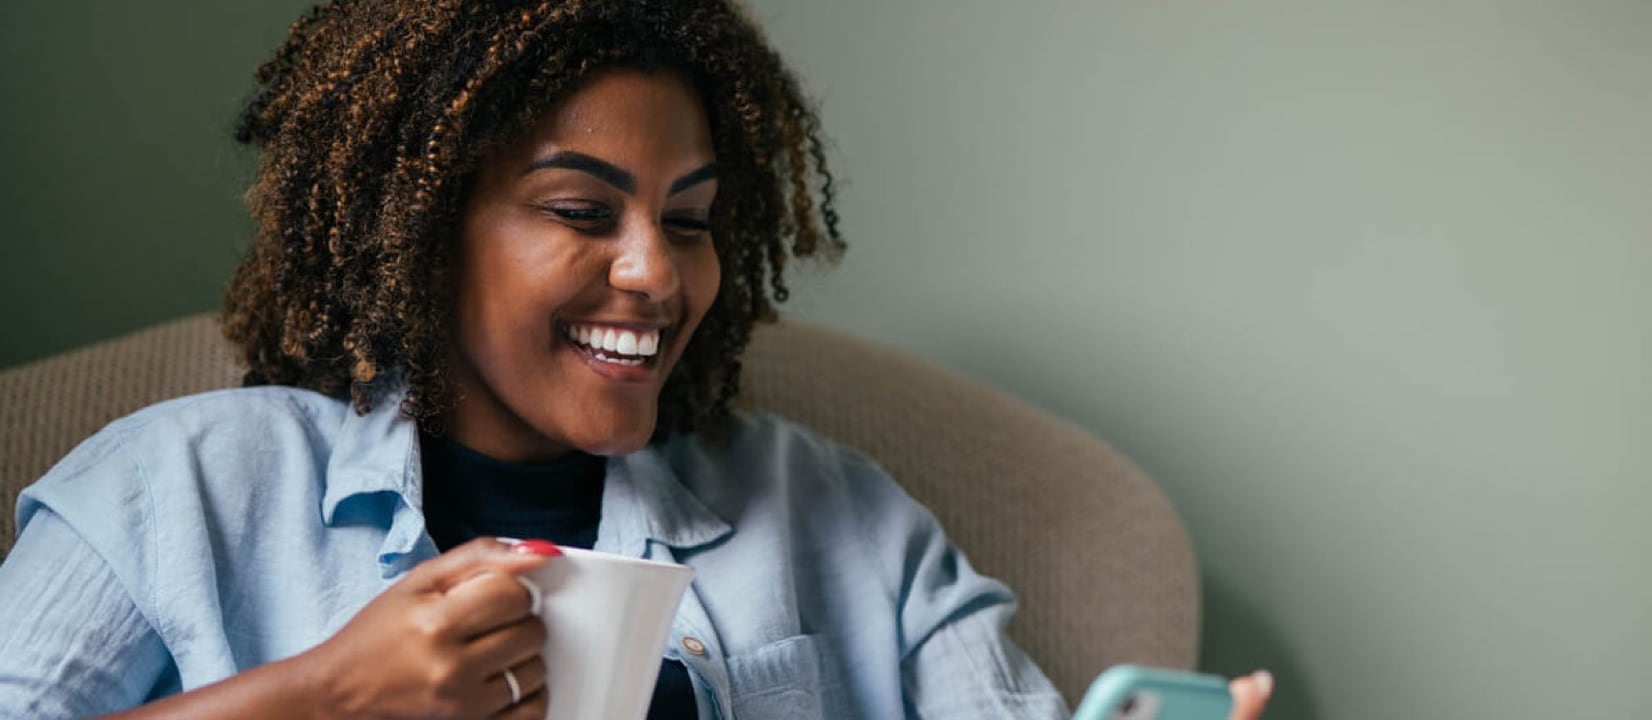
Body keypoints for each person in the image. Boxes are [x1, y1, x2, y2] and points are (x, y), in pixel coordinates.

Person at [0, 1, 1273, 718]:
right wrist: (329, 694)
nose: (655, 273)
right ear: (425, 224)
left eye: (688, 219)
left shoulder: (834, 519)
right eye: (578, 210)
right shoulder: (184, 489)